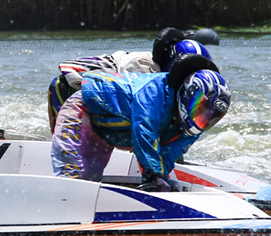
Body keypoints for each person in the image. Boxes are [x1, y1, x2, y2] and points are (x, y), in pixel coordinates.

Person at [50, 53, 230, 191]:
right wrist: (153, 175)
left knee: (90, 182)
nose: (204, 119)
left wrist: (160, 183)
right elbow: (144, 131)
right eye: (201, 108)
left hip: (107, 131)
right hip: (82, 109)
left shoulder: (190, 129)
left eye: (211, 117)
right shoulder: (155, 91)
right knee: (73, 176)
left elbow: (166, 154)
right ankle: (58, 209)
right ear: (188, 93)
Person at [47, 27, 212, 132]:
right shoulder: (144, 71)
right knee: (71, 145)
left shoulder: (162, 74)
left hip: (95, 94)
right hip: (68, 89)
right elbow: (141, 119)